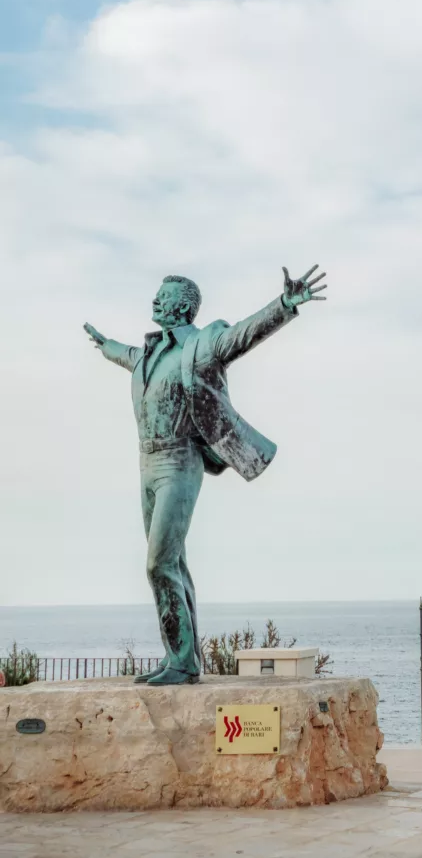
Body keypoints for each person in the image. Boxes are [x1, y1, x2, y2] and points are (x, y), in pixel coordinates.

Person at [83, 266, 327, 686]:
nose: (155, 303)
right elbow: (125, 355)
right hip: (147, 465)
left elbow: (243, 335)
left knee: (158, 563)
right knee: (173, 563)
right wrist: (105, 345)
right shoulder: (147, 355)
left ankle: (181, 661)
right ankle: (180, 658)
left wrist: (284, 305)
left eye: (163, 297)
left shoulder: (203, 342)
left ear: (182, 305)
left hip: (180, 463)